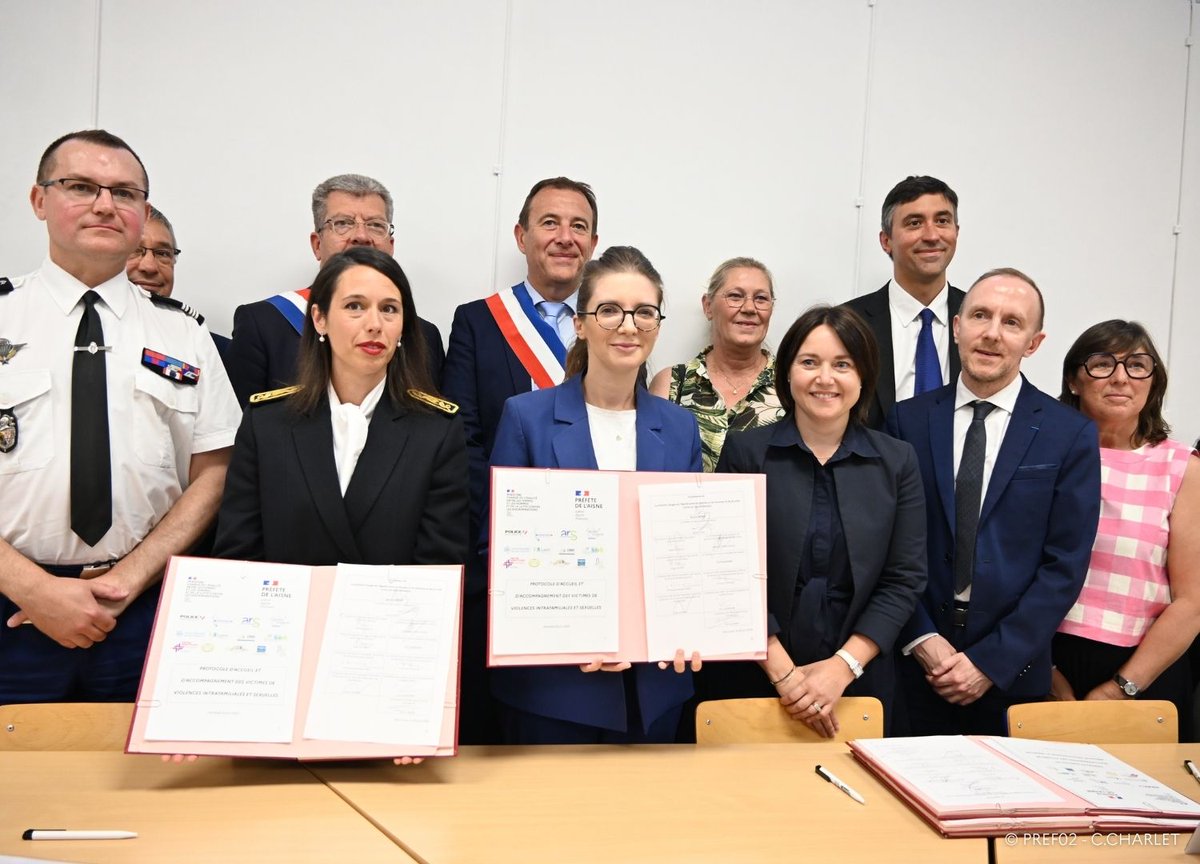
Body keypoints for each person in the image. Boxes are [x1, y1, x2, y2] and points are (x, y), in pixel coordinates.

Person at [0, 129, 241, 703]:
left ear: (143, 211)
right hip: (11, 609)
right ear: (39, 201)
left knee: (138, 785)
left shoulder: (183, 333)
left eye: (126, 193)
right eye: (81, 187)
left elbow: (216, 469)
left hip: (140, 609)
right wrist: (31, 587)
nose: (106, 204)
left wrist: (126, 580)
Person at [487, 245, 702, 744]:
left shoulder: (679, 427)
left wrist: (693, 622)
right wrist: (571, 630)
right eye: (609, 310)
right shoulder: (526, 417)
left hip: (654, 688)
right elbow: (497, 553)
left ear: (658, 324)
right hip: (556, 689)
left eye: (644, 312)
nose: (628, 326)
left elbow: (686, 556)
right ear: (580, 323)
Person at [887, 267, 1101, 736]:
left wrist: (990, 662)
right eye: (981, 315)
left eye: (1012, 322)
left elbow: (1065, 565)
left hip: (1012, 676)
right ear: (958, 325)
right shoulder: (906, 421)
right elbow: (889, 546)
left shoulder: (1070, 435)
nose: (991, 333)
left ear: (1034, 342)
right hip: (914, 668)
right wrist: (921, 638)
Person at [713, 305, 926, 736]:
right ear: (787, 373)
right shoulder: (745, 454)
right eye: (809, 362)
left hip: (861, 681)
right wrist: (786, 676)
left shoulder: (897, 461)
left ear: (863, 376)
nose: (825, 378)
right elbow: (727, 573)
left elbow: (903, 579)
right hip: (754, 674)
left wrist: (842, 668)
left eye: (842, 364)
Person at [441, 176, 599, 742]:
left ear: (594, 240)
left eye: (578, 226)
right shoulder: (477, 322)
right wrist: (514, 530)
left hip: (597, 561)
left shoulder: (609, 322)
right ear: (521, 235)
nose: (564, 238)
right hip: (510, 558)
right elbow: (463, 438)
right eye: (550, 223)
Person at [213, 245, 467, 570]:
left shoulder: (437, 430)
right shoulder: (266, 423)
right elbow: (238, 559)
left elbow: (439, 569)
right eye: (355, 306)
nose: (375, 324)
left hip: (391, 618)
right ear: (320, 319)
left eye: (389, 309)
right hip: (287, 617)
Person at [1050, 321, 1199, 733]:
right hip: (1044, 660)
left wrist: (1119, 689)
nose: (1120, 377)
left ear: (1154, 382)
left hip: (1144, 673)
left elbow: (1192, 602)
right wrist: (1043, 669)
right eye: (1102, 364)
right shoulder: (1043, 457)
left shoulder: (1182, 468)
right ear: (1074, 381)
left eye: (1137, 365)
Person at [227, 174, 444, 406]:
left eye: (375, 225)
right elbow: (243, 432)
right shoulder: (264, 324)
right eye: (343, 223)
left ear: (391, 245)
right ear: (317, 244)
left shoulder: (423, 334)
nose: (361, 236)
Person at [843, 176, 965, 429]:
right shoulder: (847, 323)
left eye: (942, 221)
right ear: (886, 241)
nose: (932, 235)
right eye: (914, 223)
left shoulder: (981, 319)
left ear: (956, 232)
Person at [649, 257, 784, 471]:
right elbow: (652, 469)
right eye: (735, 296)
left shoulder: (791, 387)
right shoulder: (672, 385)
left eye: (761, 299)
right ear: (708, 306)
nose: (750, 308)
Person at [126, 205, 232, 366]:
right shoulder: (81, 335)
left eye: (162, 253)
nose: (149, 267)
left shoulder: (217, 352)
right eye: (134, 250)